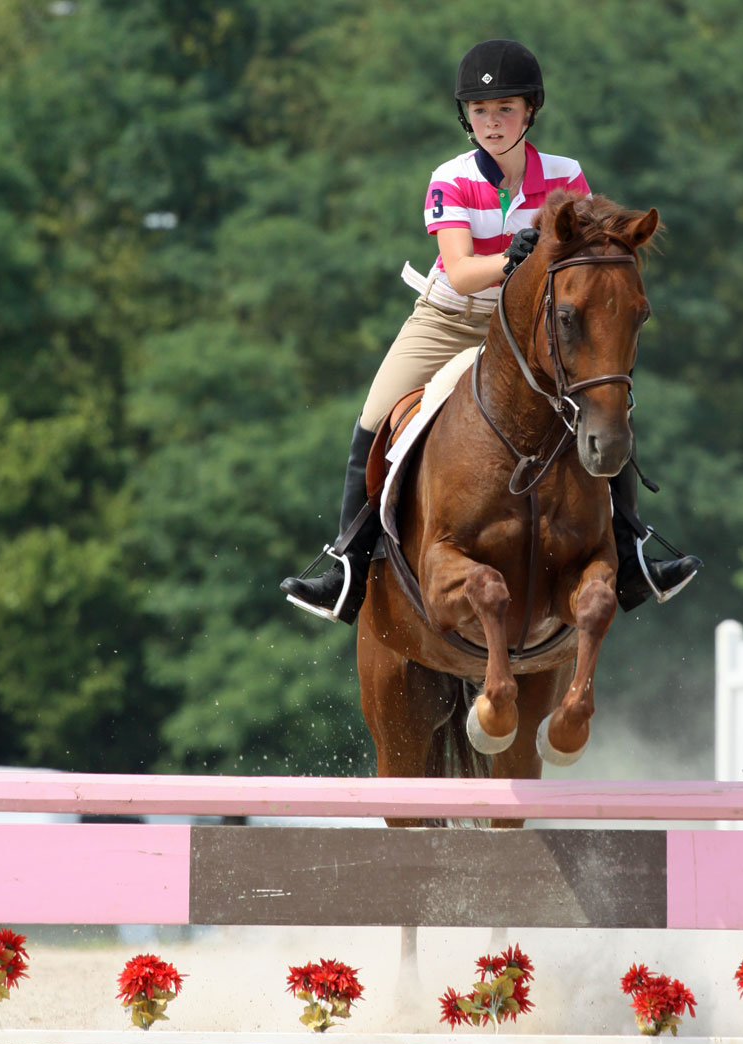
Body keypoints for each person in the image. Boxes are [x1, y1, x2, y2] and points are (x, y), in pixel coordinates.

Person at [280, 39, 700, 624]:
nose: (493, 122)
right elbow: (458, 268)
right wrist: (515, 259)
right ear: (465, 117)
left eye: (505, 109)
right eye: (481, 111)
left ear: (530, 112)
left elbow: (578, 260)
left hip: (531, 325)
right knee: (375, 416)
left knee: (604, 406)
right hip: (451, 318)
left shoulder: (565, 175)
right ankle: (347, 566)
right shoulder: (449, 179)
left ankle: (630, 556)